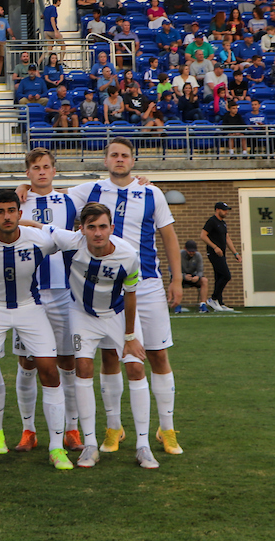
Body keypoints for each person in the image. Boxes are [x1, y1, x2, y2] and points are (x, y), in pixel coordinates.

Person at [60, 138, 183, 458]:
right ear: (105, 160)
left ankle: (166, 428)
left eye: (124, 155)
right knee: (110, 357)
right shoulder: (90, 190)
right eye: (113, 155)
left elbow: (169, 236)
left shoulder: (152, 192)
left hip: (147, 283)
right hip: (106, 287)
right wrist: (23, 189)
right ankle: (114, 427)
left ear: (133, 160)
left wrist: (177, 278)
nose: (119, 159)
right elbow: (51, 197)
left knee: (157, 354)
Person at [0, 191, 73, 471]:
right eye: (0, 212)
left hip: (29, 308)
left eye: (11, 210)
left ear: (20, 213)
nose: (7, 216)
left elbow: (69, 238)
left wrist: (33, 225)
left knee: (49, 371)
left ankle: (57, 448)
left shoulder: (38, 239)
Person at [39, 203, 147, 468]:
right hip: (83, 314)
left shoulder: (128, 255)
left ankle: (143, 445)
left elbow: (131, 295)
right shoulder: (71, 242)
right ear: (82, 229)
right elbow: (38, 227)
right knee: (83, 368)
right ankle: (89, 444)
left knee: (135, 368)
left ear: (111, 228)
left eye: (102, 227)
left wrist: (130, 336)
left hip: (117, 314)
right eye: (91, 227)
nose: (97, 233)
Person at [5, 148, 86, 454]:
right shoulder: (17, 202)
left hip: (64, 292)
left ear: (54, 170)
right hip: (28, 294)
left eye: (46, 167)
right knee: (28, 362)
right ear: (27, 172)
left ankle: (72, 429)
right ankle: (28, 430)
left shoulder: (70, 200)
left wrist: (143, 180)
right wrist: (20, 190)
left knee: (67, 361)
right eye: (35, 167)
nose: (41, 171)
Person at [200, 203, 239, 313]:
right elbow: (203, 235)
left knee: (219, 277)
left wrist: (235, 253)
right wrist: (215, 247)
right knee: (226, 275)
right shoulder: (212, 221)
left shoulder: (223, 223)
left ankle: (220, 303)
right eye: (224, 210)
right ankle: (213, 299)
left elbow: (227, 238)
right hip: (214, 253)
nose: (226, 212)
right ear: (217, 210)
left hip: (222, 254)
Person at [178, 240, 209, 313]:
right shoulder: (179, 255)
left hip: (193, 277)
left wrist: (197, 277)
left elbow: (200, 270)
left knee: (204, 280)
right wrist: (184, 276)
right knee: (175, 281)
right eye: (190, 251)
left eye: (193, 251)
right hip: (181, 277)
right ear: (185, 249)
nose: (192, 253)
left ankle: (203, 305)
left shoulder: (198, 256)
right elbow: (173, 271)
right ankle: (177, 305)